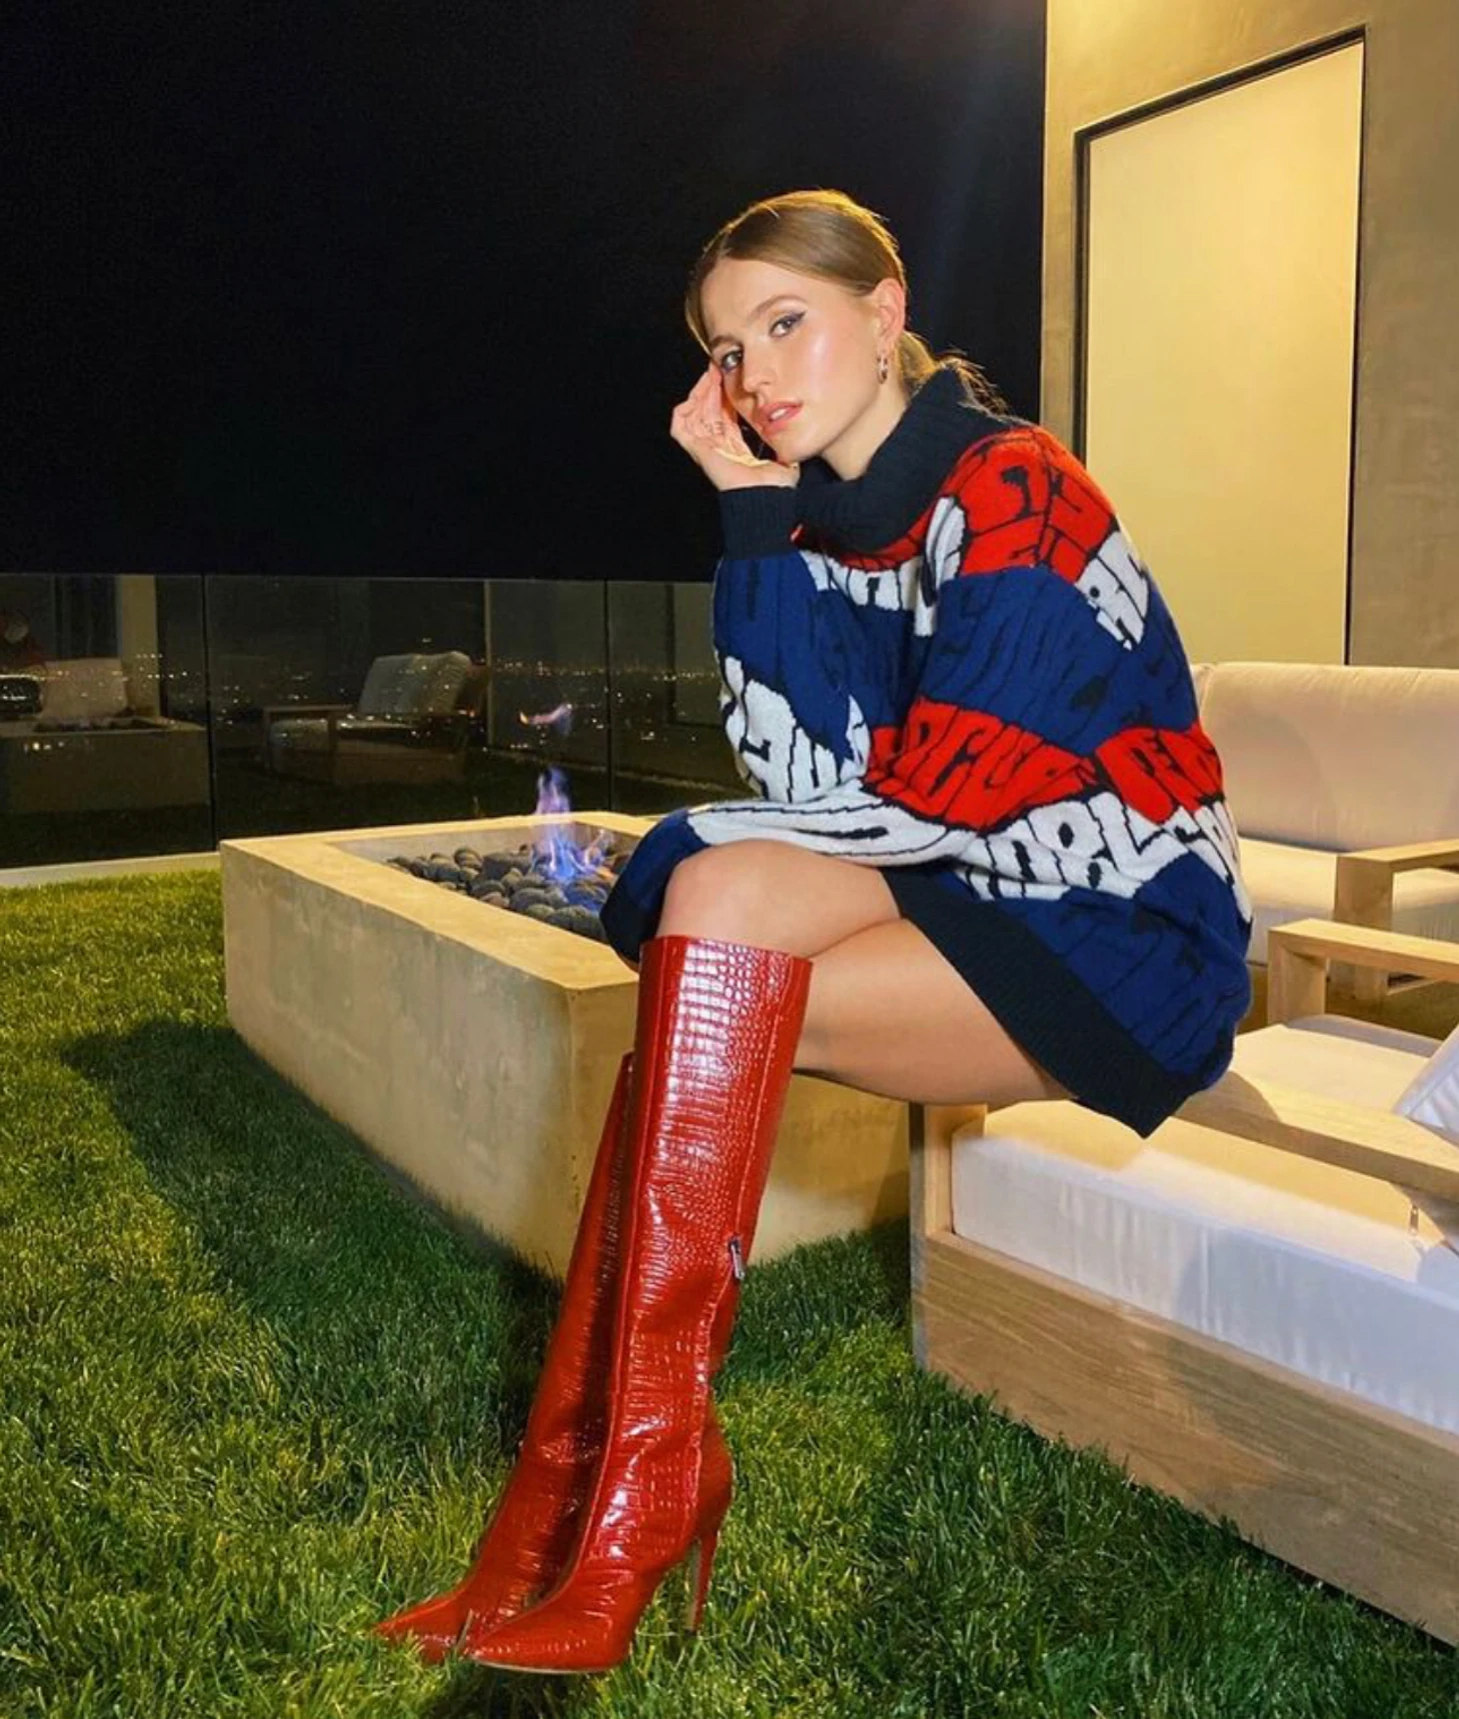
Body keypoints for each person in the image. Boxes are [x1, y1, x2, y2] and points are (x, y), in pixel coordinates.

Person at [377, 187, 1252, 1674]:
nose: (756, 375)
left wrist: (683, 854)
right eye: (729, 350)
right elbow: (805, 782)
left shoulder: (1018, 485)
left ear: (885, 311)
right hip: (959, 876)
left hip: (1116, 921)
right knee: (713, 952)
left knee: (708, 909)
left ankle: (596, 1494)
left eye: (785, 323)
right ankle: (611, 1484)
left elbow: (947, 793)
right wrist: (746, 510)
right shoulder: (821, 524)